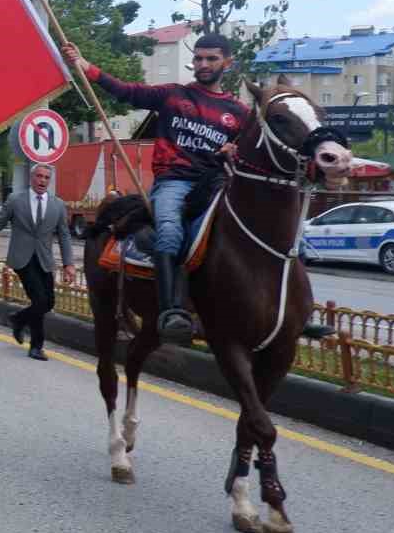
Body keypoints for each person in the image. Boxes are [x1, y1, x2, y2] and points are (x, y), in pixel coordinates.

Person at [62, 35, 266, 342]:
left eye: (211, 59)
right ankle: (172, 311)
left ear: (228, 62)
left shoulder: (240, 113)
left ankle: (283, 313)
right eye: (198, 58)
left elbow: (252, 150)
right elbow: (126, 91)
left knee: (263, 228)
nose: (203, 64)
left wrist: (234, 151)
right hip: (174, 182)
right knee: (170, 232)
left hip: (216, 184)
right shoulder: (172, 95)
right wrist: (85, 65)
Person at [0, 163, 74, 361]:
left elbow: (64, 236)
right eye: (39, 176)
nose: (42, 181)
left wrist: (68, 264)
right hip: (22, 259)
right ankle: (36, 347)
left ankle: (19, 319)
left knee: (49, 302)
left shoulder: (58, 205)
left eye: (46, 178)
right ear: (31, 178)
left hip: (45, 259)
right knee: (39, 300)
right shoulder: (15, 200)